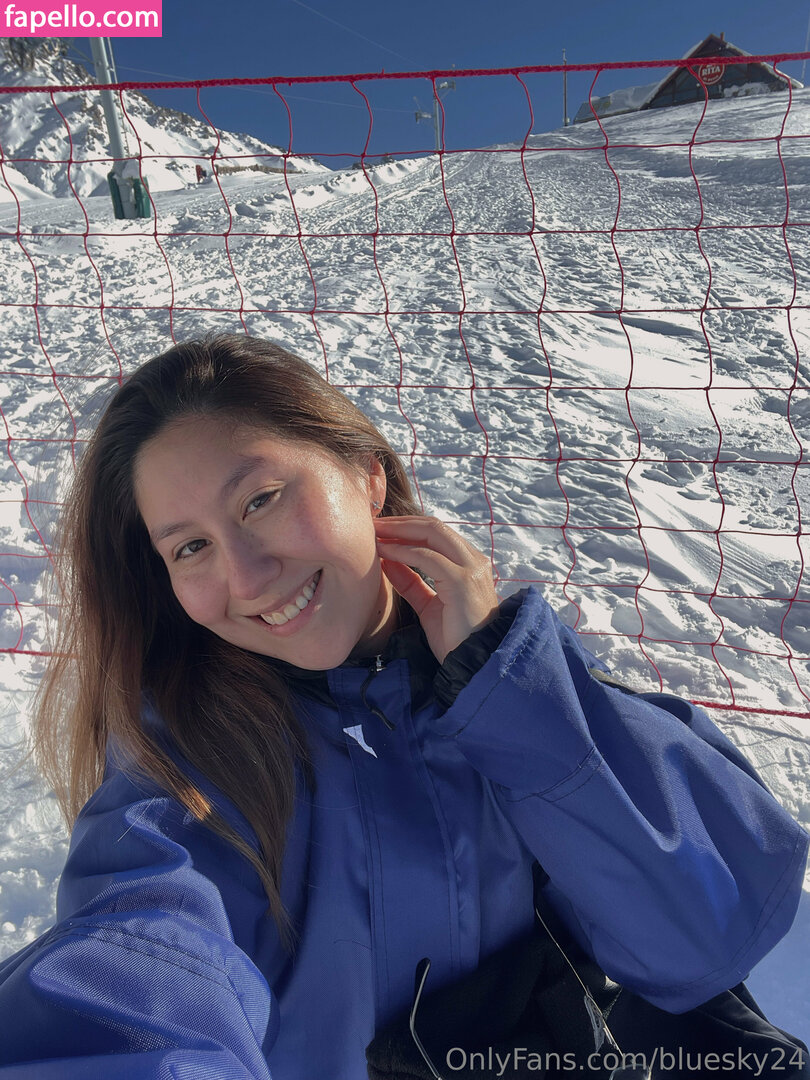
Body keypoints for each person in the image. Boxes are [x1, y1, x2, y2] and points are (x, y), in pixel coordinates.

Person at [0, 333, 806, 1079]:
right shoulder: (184, 761)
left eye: (261, 500)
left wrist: (512, 698)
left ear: (367, 475)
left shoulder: (524, 688)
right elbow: (144, 959)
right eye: (191, 547)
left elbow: (708, 934)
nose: (246, 576)